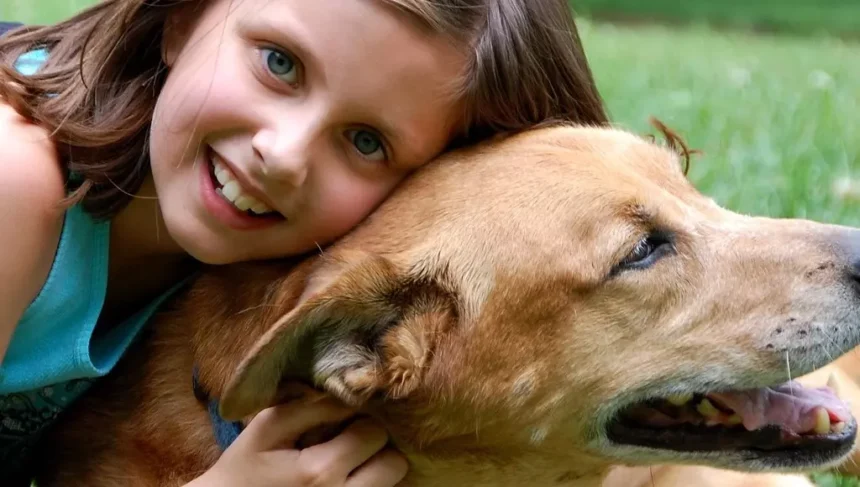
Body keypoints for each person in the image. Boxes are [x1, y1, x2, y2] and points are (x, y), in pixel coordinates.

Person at [0, 0, 607, 485]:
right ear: (184, 17)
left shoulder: (269, 256)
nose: (284, 156)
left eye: (366, 141)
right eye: (280, 63)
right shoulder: (15, 181)